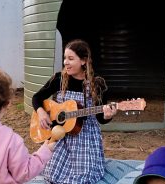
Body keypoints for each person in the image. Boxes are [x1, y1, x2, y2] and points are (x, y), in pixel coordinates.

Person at [32, 39, 117, 183]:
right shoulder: (59, 79)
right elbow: (37, 97)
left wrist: (108, 115)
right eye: (65, 58)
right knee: (52, 174)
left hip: (84, 135)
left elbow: (101, 118)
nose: (65, 62)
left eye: (71, 58)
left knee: (83, 176)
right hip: (60, 134)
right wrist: (40, 112)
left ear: (84, 61)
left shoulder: (96, 84)